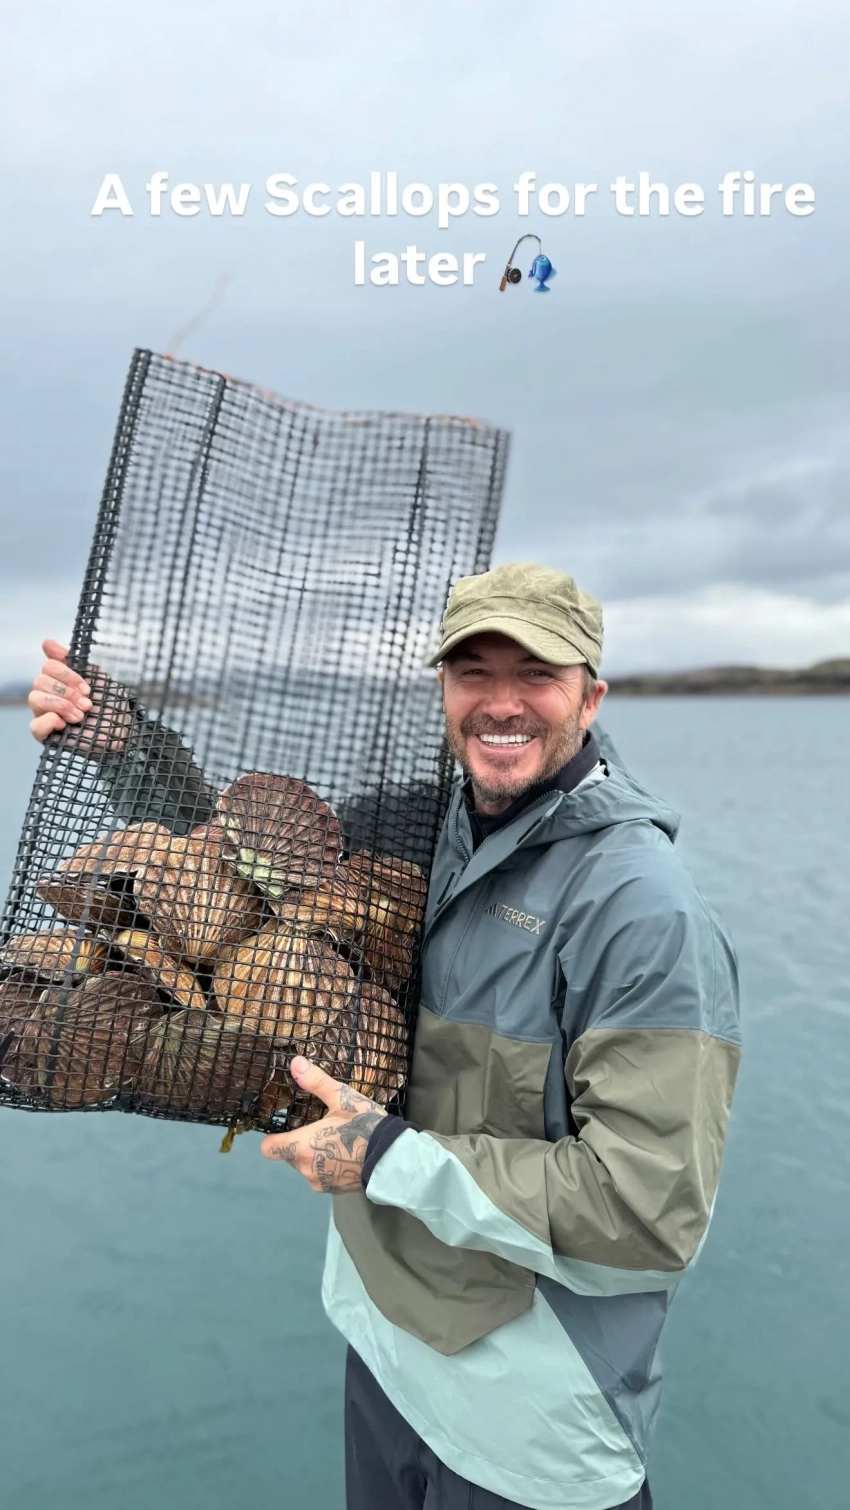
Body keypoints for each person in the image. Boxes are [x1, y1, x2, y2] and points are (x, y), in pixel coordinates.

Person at [28, 562, 741, 1510]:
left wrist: (383, 1156)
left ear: (591, 696)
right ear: (442, 689)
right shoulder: (421, 829)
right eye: (474, 672)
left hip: (531, 1425)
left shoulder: (640, 910)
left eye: (537, 674)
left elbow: (651, 1214)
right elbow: (231, 890)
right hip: (387, 1353)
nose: (502, 703)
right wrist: (127, 750)